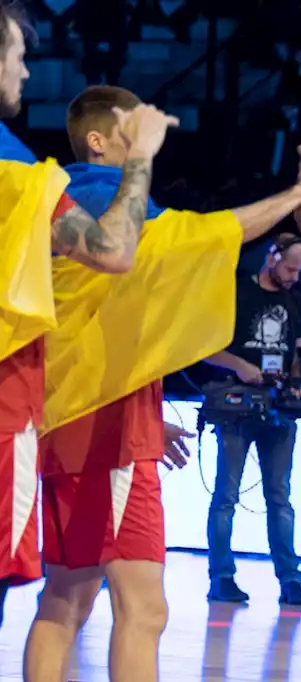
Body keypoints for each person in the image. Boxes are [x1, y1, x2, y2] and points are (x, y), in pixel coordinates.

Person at [11, 84, 301, 682]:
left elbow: (109, 319)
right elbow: (205, 237)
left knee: (66, 602)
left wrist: (147, 407)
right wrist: (297, 194)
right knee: (142, 609)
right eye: (134, 129)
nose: (148, 140)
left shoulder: (72, 204)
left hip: (80, 420)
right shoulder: (101, 193)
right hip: (105, 436)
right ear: (100, 142)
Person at [0, 5, 176, 637]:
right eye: (17, 58)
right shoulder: (45, 181)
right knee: (105, 601)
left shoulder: (36, 177)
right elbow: (119, 255)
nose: (25, 72)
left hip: (74, 405)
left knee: (72, 598)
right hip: (70, 418)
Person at [204, 235, 301, 607]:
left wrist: (300, 385)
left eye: (299, 271)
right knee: (226, 497)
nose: (293, 277)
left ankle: (290, 581)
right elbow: (205, 348)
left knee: (280, 497)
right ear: (271, 257)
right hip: (237, 404)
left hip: (279, 407)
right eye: (288, 268)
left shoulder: (296, 300)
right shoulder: (235, 293)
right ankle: (221, 577)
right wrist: (241, 366)